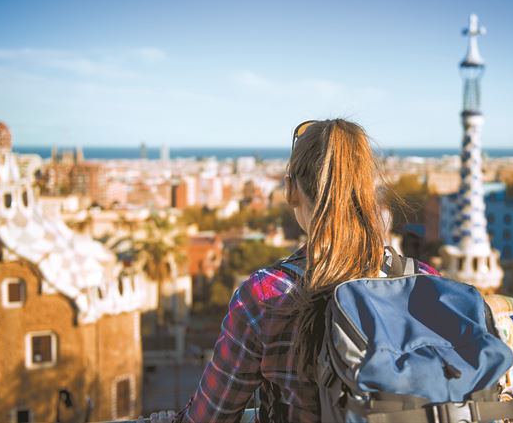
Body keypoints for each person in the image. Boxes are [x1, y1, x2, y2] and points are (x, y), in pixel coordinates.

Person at [174, 119, 439, 423]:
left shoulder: (265, 296)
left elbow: (209, 417)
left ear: (290, 191)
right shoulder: (425, 283)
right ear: (368, 193)